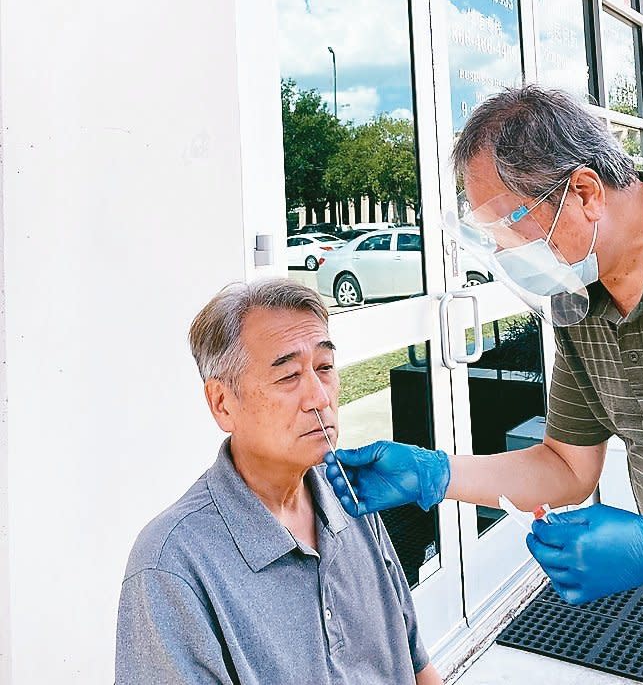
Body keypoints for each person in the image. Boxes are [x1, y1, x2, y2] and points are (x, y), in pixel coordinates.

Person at [325, 85, 643, 685]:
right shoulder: (579, 299)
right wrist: (434, 474)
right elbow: (568, 467)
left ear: (585, 192)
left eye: (509, 228)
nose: (506, 254)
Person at [115, 278, 442, 685]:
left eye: (324, 368)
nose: (319, 397)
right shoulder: (172, 563)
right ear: (222, 403)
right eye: (288, 376)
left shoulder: (350, 497)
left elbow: (416, 666)